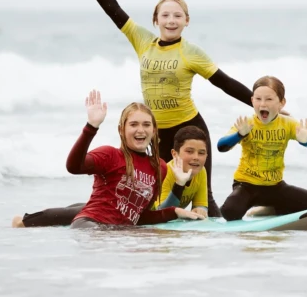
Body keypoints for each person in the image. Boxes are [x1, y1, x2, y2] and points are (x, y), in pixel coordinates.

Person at [79, 0, 256, 217]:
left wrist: (256, 103)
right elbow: (112, 9)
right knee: (153, 195)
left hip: (190, 128)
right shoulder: (142, 40)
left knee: (202, 193)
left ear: (186, 21)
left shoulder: (192, 52)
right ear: (155, 19)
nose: (171, 20)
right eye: (165, 15)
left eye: (177, 16)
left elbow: (225, 82)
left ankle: (218, 233)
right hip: (157, 134)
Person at [13, 89, 203, 229]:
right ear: (122, 130)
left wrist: (174, 211)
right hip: (91, 224)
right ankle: (23, 223)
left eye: (146, 125)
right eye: (133, 124)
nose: (140, 130)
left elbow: (141, 216)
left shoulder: (159, 167)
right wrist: (91, 127)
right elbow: (73, 166)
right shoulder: (110, 155)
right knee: (86, 221)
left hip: (119, 229)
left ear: (154, 131)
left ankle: (24, 223)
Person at [217, 76, 307, 221]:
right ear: (252, 101)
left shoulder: (287, 123)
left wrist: (306, 141)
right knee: (230, 212)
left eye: (269, 99)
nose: (263, 104)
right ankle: (271, 207)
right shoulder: (247, 123)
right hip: (246, 185)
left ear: (281, 103)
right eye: (258, 99)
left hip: (275, 187)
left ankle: (270, 209)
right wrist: (239, 135)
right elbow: (221, 146)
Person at [155, 125, 209, 216]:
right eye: (189, 151)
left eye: (201, 153)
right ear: (174, 154)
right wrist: (179, 184)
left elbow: (201, 205)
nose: (196, 157)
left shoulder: (201, 171)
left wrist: (200, 210)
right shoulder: (164, 172)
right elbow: (161, 212)